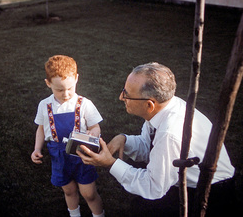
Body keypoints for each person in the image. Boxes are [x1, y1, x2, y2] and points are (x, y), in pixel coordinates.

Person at [77, 62, 236, 216]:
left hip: (210, 193)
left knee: (143, 209)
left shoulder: (170, 133)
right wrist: (124, 140)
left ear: (150, 104)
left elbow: (153, 188)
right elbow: (150, 146)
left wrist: (109, 163)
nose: (121, 97)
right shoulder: (166, 107)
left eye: (127, 94)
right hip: (191, 178)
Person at [31, 55, 105, 217]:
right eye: (59, 90)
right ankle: (74, 214)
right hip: (58, 155)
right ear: (48, 83)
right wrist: (37, 148)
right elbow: (41, 129)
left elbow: (95, 126)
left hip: (81, 154)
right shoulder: (45, 105)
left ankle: (99, 215)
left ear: (77, 79)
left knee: (89, 193)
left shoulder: (84, 103)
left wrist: (93, 133)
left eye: (70, 88)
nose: (66, 94)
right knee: (69, 190)